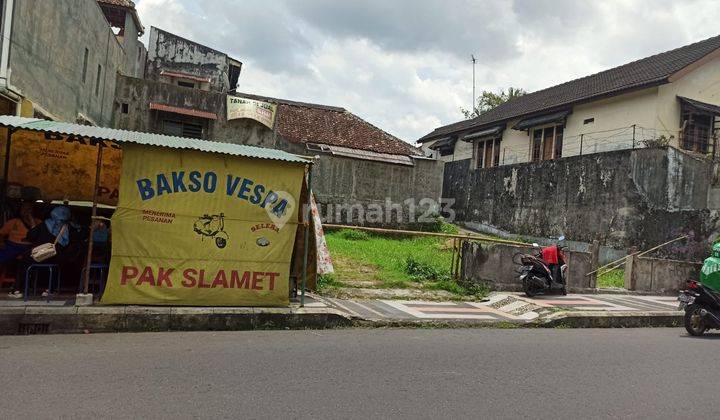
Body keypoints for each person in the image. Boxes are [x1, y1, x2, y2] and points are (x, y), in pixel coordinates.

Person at [7, 206, 74, 298]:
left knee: (24, 263)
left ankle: (17, 289)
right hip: (55, 258)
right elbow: (76, 240)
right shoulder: (69, 227)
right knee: (55, 266)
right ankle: (50, 289)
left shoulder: (45, 224)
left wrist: (33, 224)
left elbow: (31, 236)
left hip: (38, 256)